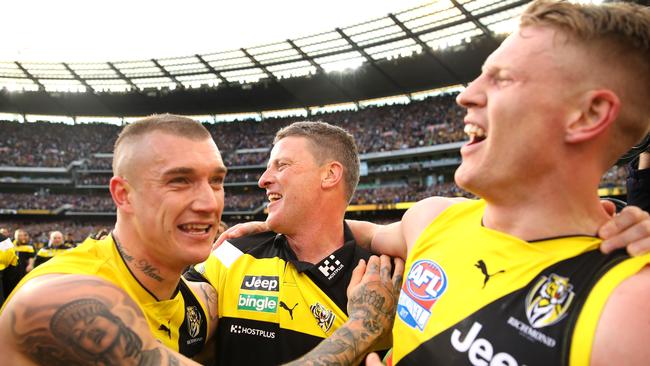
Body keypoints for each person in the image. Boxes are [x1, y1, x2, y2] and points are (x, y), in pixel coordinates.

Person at [359, 1, 650, 364]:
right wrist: (268, 228)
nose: (465, 95)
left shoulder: (628, 312)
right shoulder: (431, 217)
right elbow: (366, 232)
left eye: (503, 78)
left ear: (588, 115)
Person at [0, 114, 227, 365]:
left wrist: (275, 235)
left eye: (216, 181)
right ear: (123, 195)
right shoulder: (59, 300)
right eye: (179, 181)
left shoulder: (199, 303)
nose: (209, 203)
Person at [185, 121, 398, 365]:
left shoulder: (381, 279)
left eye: (281, 165)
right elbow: (171, 321)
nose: (263, 180)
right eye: (267, 168)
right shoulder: (233, 252)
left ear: (330, 174)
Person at [2, 229, 35, 298]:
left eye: (23, 235)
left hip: (21, 269)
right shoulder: (9, 244)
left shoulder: (29, 246)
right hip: (9, 269)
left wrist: (30, 265)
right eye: (19, 235)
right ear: (15, 235)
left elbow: (31, 257)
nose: (21, 237)